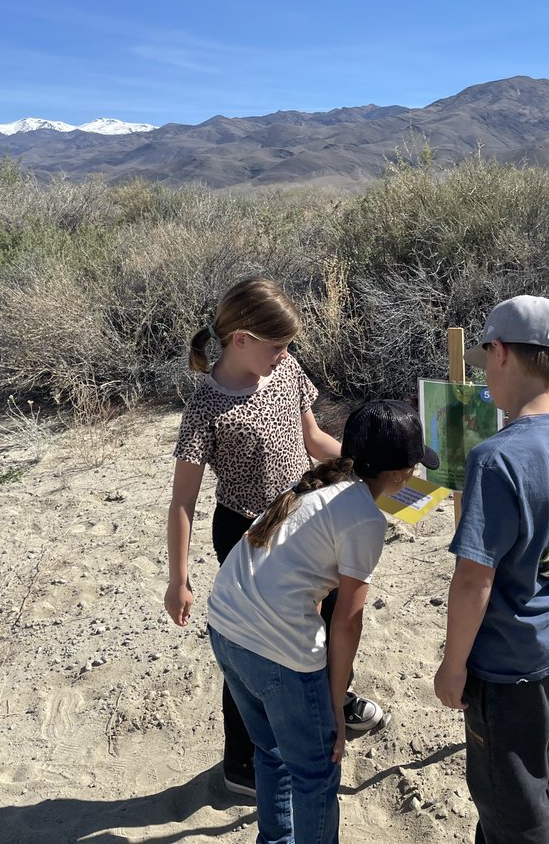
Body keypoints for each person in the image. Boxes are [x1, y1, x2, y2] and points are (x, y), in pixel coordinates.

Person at [165, 276, 385, 797]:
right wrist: (178, 579)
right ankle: (241, 760)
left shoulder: (285, 369)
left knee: (329, 613)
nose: (285, 355)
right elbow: (182, 501)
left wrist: (369, 469)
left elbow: (313, 440)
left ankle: (336, 698)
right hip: (246, 533)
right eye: (277, 345)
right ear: (240, 339)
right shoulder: (205, 406)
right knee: (254, 642)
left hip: (305, 518)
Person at [208, 400, 439, 844]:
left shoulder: (320, 484)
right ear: (400, 473)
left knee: (270, 751)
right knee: (317, 771)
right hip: (276, 651)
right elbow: (348, 620)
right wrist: (337, 702)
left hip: (225, 626)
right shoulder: (365, 518)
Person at [433, 295, 549, 844]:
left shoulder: (494, 458)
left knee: (513, 815)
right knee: (532, 781)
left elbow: (474, 579)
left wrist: (454, 668)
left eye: (485, 364)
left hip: (508, 668)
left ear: (498, 353)